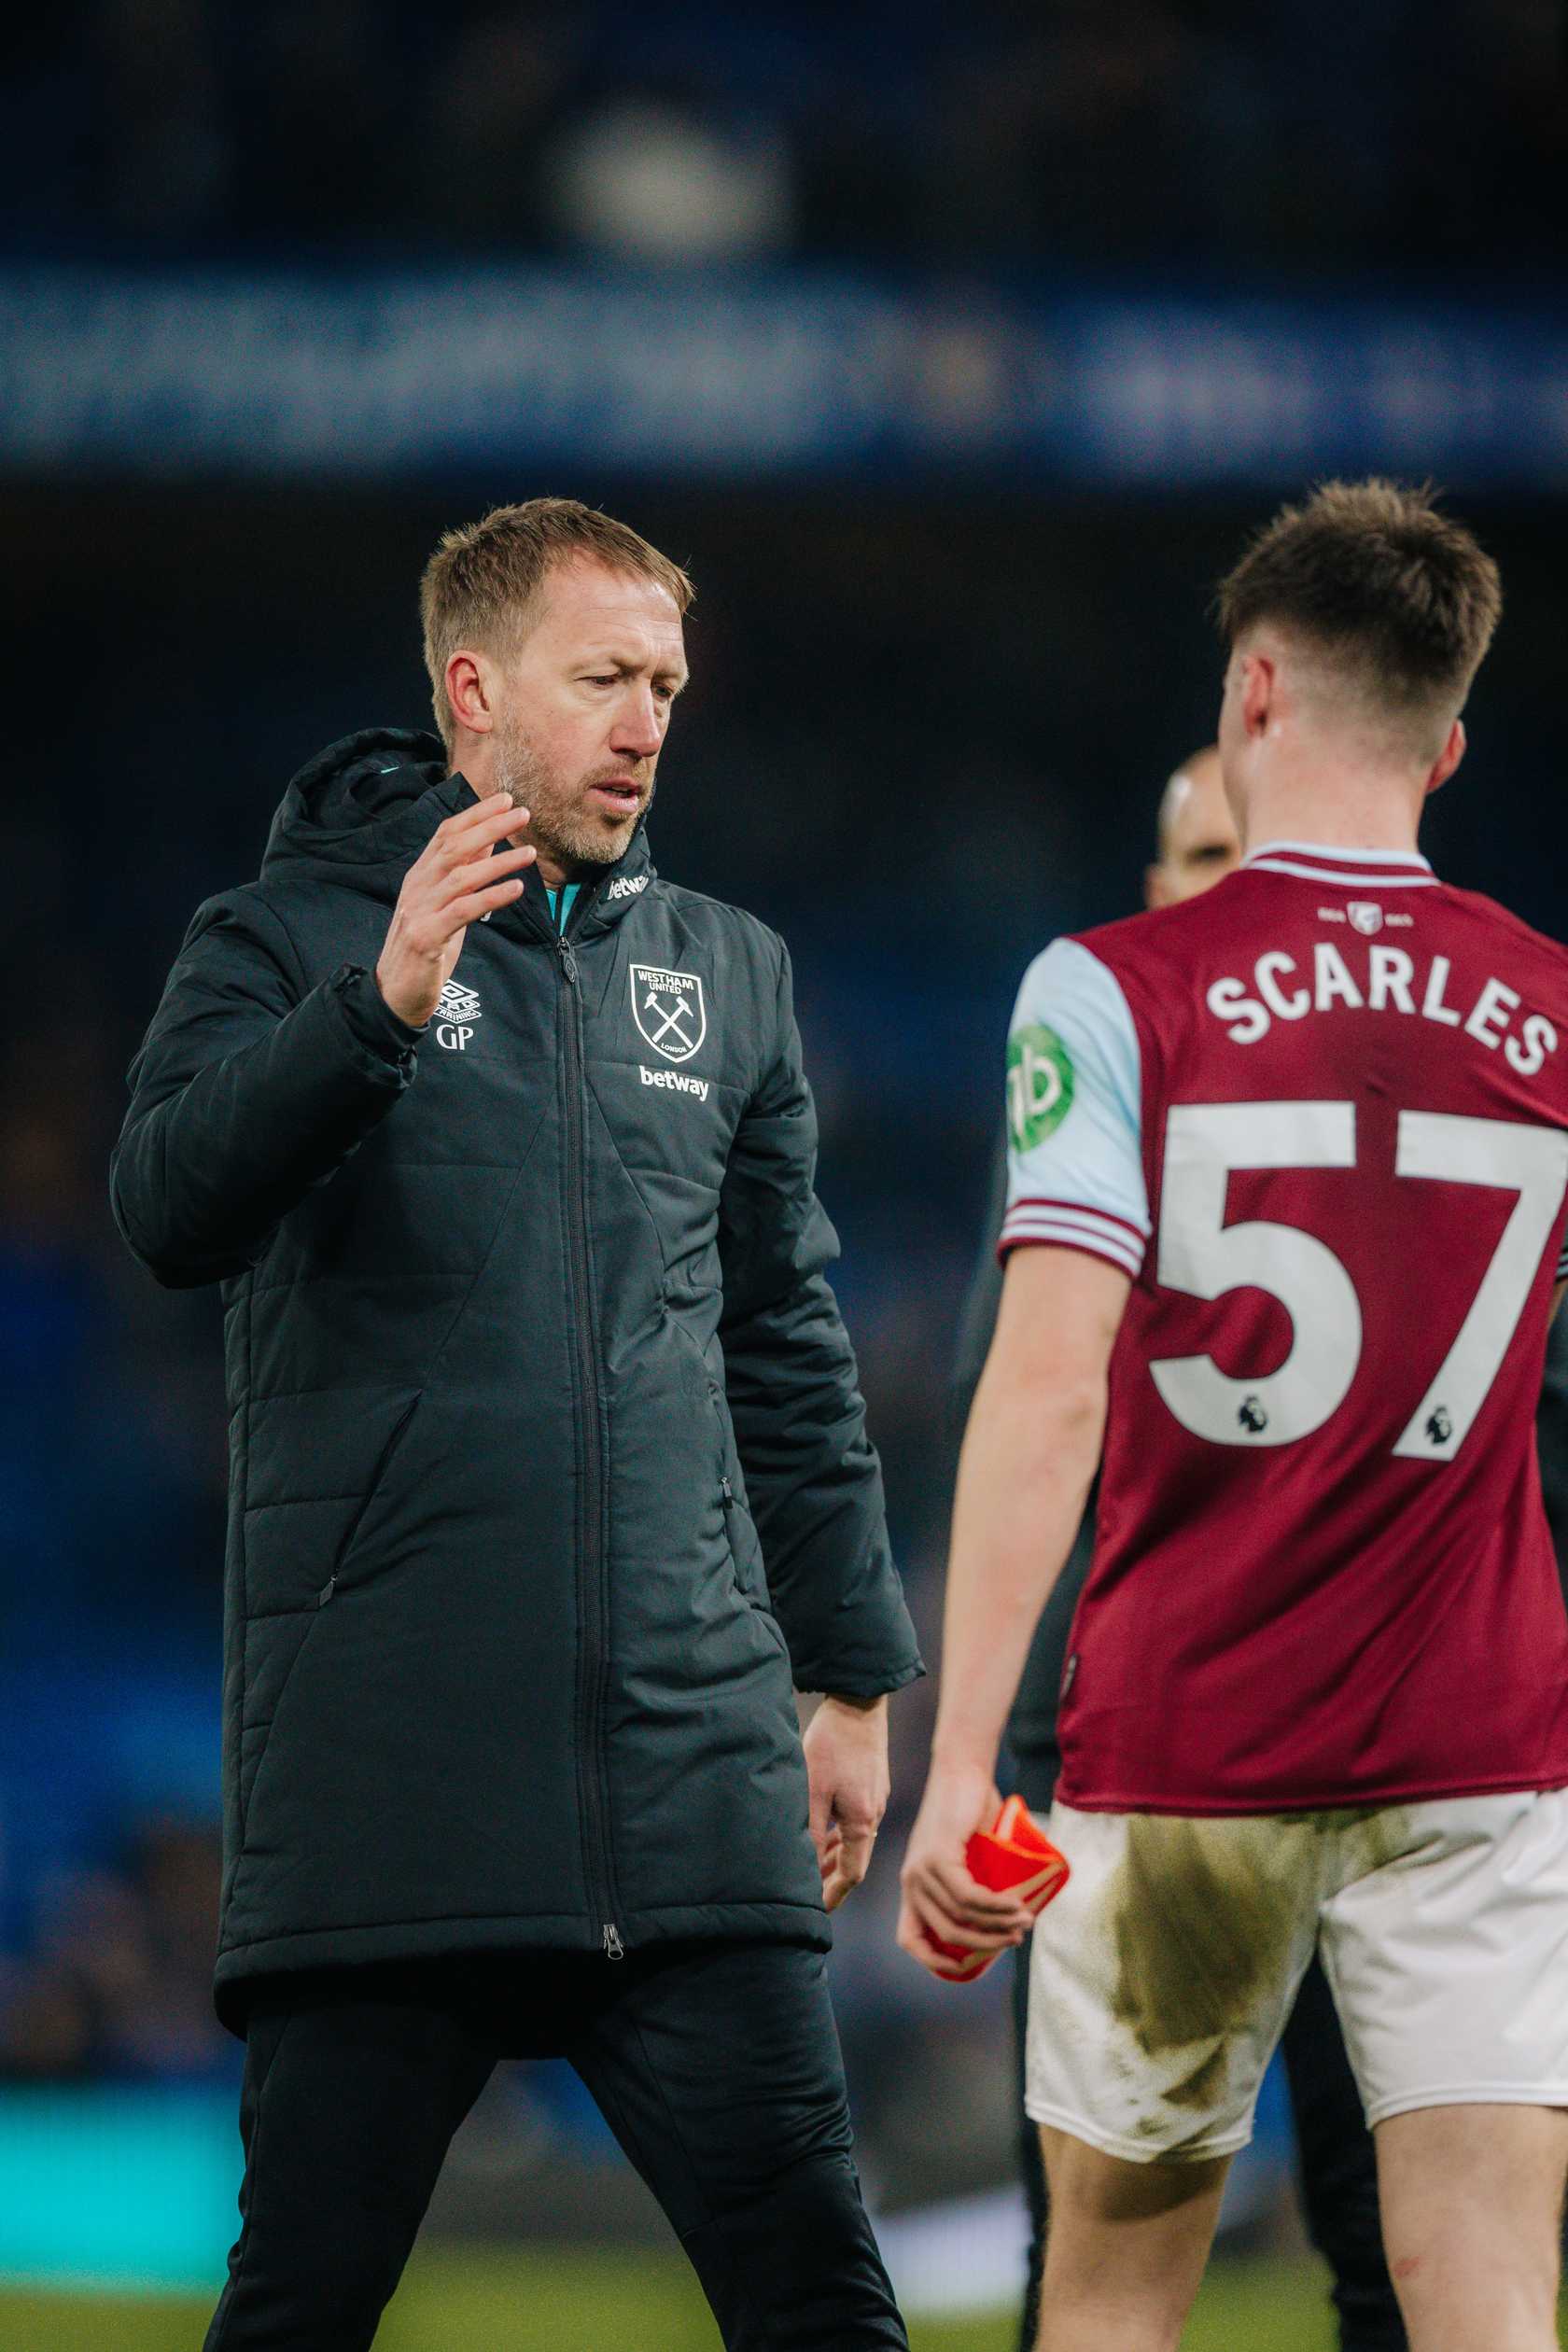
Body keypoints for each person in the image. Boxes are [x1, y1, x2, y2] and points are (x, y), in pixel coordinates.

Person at [111, 497, 921, 2351]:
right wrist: (375, 1005)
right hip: (396, 1774)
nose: (649, 721)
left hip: (690, 1780)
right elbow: (165, 1207)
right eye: (605, 679)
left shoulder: (728, 974)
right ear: (475, 691)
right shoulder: (280, 936)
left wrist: (852, 1680)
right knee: (302, 2301)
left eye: (668, 684)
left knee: (820, 2294)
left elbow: (787, 1348)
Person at [901, 479, 1568, 2352]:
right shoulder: (1551, 1006)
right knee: (1493, 2304)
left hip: (1189, 1744)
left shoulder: (1111, 992)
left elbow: (1042, 1387)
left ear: (1253, 695)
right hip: (1480, 1759)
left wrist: (963, 1772)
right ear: (1448, 739)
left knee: (1110, 2309)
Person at [953, 746, 1407, 2352]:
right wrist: (998, 1768)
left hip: (1383, 1759)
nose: (1240, 893)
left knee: (1387, 2251)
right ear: (1157, 896)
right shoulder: (1082, 1118)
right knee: (1077, 2251)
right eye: (1209, 859)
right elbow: (1017, 1437)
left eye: (1265, 855)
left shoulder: (1416, 1130)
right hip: (1102, 1770)